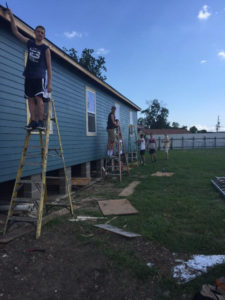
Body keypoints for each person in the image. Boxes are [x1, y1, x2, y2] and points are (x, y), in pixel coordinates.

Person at [6, 8, 52, 131]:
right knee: (30, 99)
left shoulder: (45, 49)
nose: (40, 34)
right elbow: (16, 32)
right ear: (34, 33)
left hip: (39, 77)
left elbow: (49, 67)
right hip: (28, 76)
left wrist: (49, 83)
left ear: (44, 35)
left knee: (39, 98)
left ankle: (41, 122)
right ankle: (33, 121)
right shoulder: (30, 43)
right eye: (38, 32)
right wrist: (11, 15)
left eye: (42, 33)